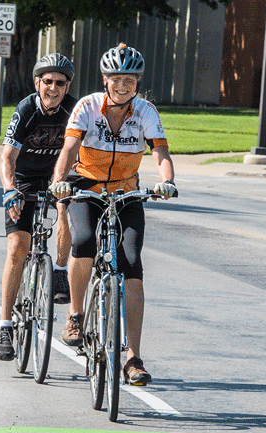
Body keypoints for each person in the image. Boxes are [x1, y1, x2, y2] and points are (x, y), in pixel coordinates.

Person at [49, 43, 177, 386]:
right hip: (86, 188)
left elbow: (160, 152)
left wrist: (167, 181)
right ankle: (75, 315)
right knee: (84, 241)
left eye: (131, 79)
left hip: (126, 192)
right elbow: (69, 149)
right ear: (105, 80)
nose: (124, 85)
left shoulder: (146, 110)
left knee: (132, 263)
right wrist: (60, 181)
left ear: (138, 82)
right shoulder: (87, 107)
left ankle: (133, 357)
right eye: (117, 78)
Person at [0, 53, 77, 361]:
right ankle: (4, 326)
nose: (53, 88)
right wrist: (10, 190)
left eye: (61, 83)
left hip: (58, 176)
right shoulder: (26, 109)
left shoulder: (74, 110)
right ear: (37, 82)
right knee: (17, 247)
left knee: (68, 205)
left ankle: (58, 270)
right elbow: (7, 158)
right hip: (25, 178)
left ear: (68, 86)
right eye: (48, 81)